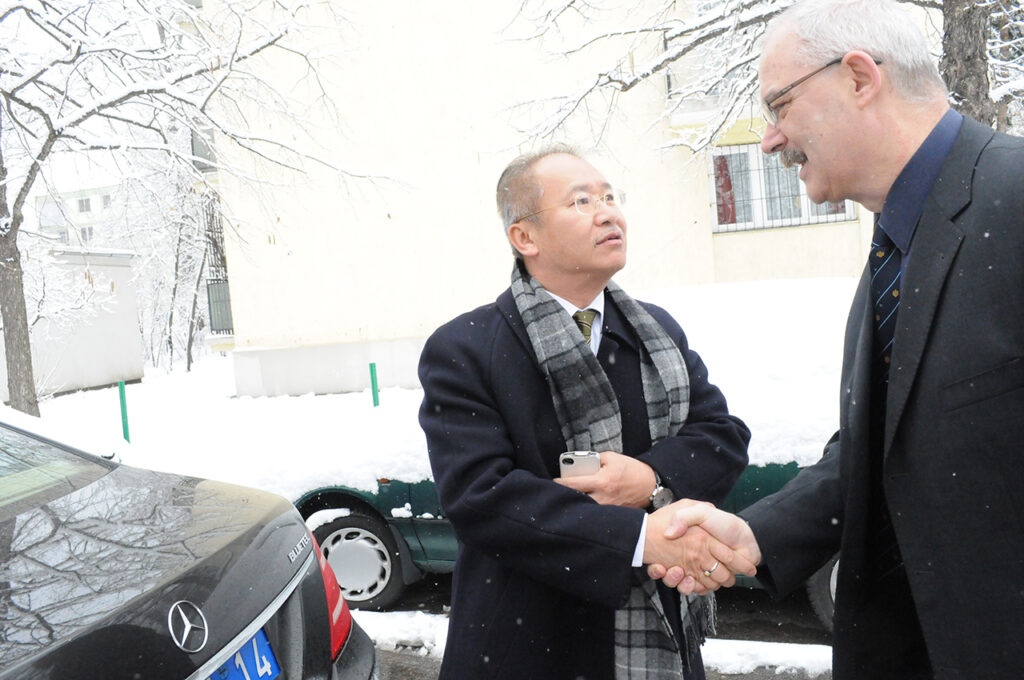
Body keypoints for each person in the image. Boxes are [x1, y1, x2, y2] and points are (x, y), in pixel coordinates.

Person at [648, 1, 1024, 678]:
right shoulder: (895, 247)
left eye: (780, 105)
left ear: (858, 77)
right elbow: (888, 442)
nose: (769, 139)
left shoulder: (1013, 202)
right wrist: (761, 532)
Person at [418, 146, 751, 680]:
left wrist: (650, 478)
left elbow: (722, 437)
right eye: (580, 201)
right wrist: (639, 539)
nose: (607, 212)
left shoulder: (656, 332)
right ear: (524, 237)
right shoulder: (468, 347)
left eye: (610, 197)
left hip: (657, 639)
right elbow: (480, 496)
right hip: (527, 645)